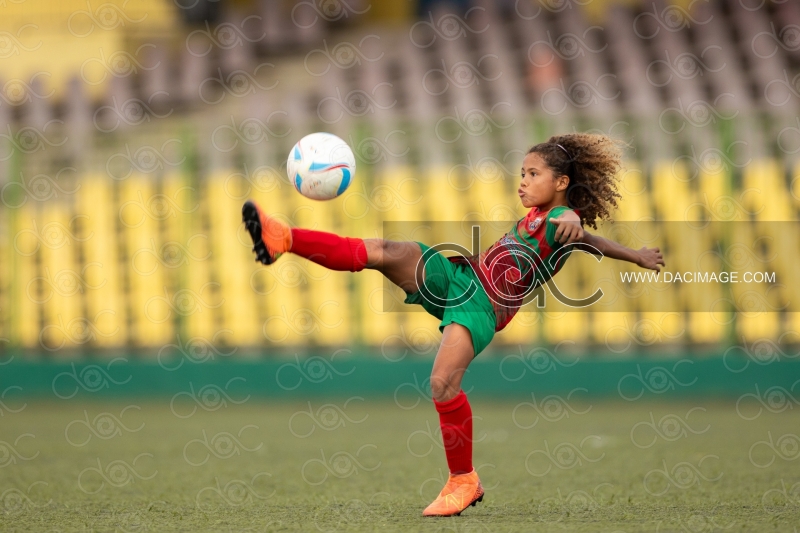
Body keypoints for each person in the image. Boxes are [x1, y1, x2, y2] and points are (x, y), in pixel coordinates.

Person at [241, 133, 665, 517]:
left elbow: (573, 226)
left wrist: (576, 219)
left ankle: (464, 480)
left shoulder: (558, 219)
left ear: (561, 183)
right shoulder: (539, 215)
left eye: (533, 173)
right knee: (388, 249)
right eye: (522, 172)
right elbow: (592, 240)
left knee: (442, 383)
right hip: (464, 278)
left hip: (480, 307)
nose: (522, 180)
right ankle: (284, 238)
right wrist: (635, 254)